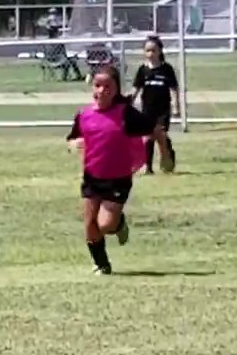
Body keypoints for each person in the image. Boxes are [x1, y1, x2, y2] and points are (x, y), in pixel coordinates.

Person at [67, 65, 173, 275]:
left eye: (108, 86)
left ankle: (119, 224)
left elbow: (155, 130)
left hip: (118, 178)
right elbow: (72, 138)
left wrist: (165, 154)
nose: (102, 91)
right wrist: (74, 143)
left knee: (104, 225)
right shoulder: (84, 115)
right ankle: (102, 265)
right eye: (98, 85)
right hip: (92, 176)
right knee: (90, 224)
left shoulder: (125, 114)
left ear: (116, 89)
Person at [132, 35, 180, 174]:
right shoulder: (143, 70)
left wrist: (176, 106)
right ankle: (147, 166)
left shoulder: (166, 69)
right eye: (147, 51)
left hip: (163, 109)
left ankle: (167, 158)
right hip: (147, 109)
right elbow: (136, 88)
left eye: (153, 50)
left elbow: (173, 89)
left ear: (160, 51)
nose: (150, 54)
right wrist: (128, 103)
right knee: (147, 137)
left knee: (160, 135)